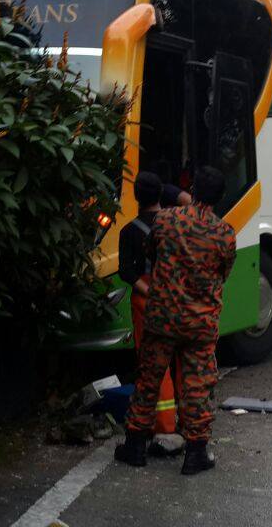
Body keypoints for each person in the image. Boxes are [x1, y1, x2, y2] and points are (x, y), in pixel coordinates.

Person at [115, 166, 236, 475]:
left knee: (149, 379)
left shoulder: (166, 219)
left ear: (192, 190)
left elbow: (150, 251)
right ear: (220, 197)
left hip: (162, 317)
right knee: (196, 385)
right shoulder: (224, 233)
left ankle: (135, 447)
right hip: (200, 322)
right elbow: (223, 273)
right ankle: (196, 454)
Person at [117, 172, 186, 438]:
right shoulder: (177, 226)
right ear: (161, 195)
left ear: (136, 196)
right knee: (181, 360)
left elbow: (126, 272)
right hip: (178, 300)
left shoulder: (129, 231)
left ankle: (162, 424)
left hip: (146, 303)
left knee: (152, 365)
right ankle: (188, 423)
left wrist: (149, 291)